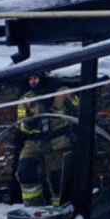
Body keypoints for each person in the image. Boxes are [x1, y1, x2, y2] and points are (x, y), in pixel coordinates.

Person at [15, 72, 80, 206]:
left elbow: (81, 107)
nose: (32, 81)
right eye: (30, 78)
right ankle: (33, 208)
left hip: (59, 143)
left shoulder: (63, 91)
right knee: (25, 171)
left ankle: (59, 210)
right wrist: (27, 124)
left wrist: (64, 102)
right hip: (34, 145)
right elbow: (20, 123)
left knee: (59, 181)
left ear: (43, 77)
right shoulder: (25, 100)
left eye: (35, 78)